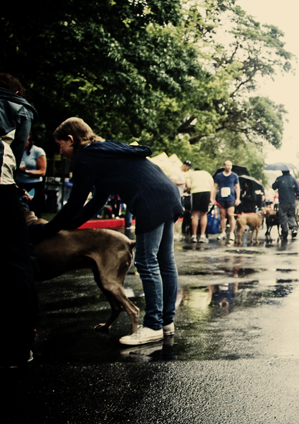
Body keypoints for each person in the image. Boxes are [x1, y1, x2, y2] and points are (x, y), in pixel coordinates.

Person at [29, 117, 183, 346]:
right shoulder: (104, 151)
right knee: (165, 260)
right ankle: (166, 323)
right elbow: (96, 201)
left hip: (150, 200)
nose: (60, 152)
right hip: (169, 193)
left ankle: (152, 325)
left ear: (71, 140)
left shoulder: (87, 159)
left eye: (60, 145)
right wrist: (72, 225)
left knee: (147, 261)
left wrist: (46, 230)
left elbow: (74, 204)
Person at [1, 73, 38, 366]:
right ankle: (20, 344)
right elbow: (15, 149)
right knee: (17, 265)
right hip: (1, 188)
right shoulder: (17, 105)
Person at [183, 161, 216, 243]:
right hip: (206, 192)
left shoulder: (190, 174)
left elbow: (189, 186)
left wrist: (186, 189)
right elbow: (212, 186)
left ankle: (193, 236)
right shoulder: (207, 173)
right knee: (204, 214)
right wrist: (211, 198)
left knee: (195, 214)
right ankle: (202, 236)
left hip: (196, 193)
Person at [15, 134, 47, 216]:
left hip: (34, 185)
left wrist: (26, 172)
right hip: (19, 184)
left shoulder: (38, 151)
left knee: (35, 210)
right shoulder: (16, 150)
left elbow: (42, 172)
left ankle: (36, 227)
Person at [214, 160, 240, 245]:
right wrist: (212, 198)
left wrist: (238, 198)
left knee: (231, 215)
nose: (229, 167)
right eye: (227, 165)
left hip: (231, 198)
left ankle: (232, 233)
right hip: (221, 198)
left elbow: (237, 187)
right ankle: (223, 232)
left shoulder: (234, 176)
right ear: (224, 166)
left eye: (230, 165)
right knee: (222, 215)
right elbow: (215, 187)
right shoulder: (218, 176)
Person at [272, 169, 299, 239]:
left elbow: (274, 186)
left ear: (282, 172)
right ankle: (293, 228)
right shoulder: (293, 179)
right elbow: (298, 190)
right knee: (291, 215)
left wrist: (277, 182)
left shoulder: (279, 179)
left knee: (283, 217)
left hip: (283, 201)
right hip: (292, 201)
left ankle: (285, 231)